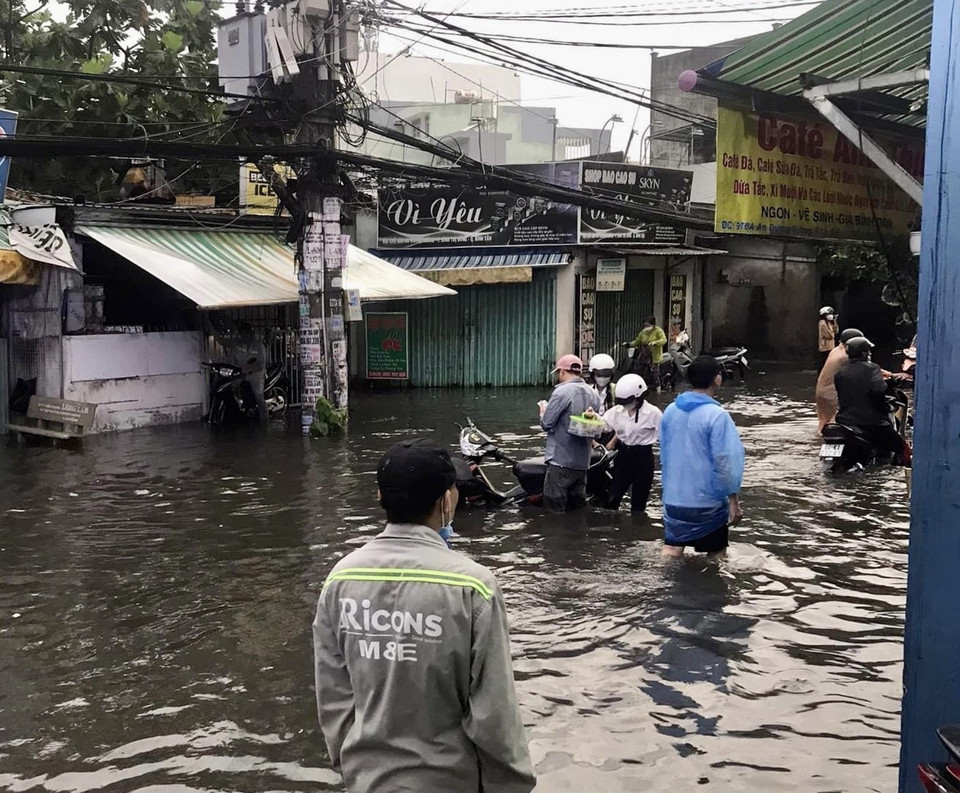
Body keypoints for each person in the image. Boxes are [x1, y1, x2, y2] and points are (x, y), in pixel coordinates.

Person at [313, 439, 536, 793]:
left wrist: (352, 765)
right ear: (446, 501)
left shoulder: (340, 580)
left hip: (366, 780)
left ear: (380, 497)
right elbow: (494, 712)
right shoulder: (473, 587)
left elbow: (334, 696)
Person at [659, 356, 745, 558]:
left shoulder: (671, 410)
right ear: (717, 379)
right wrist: (734, 500)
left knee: (671, 551)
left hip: (674, 499)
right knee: (715, 558)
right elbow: (725, 459)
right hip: (707, 503)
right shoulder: (716, 415)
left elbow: (664, 451)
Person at [538, 354, 602, 511]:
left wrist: (543, 412)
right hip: (582, 463)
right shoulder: (593, 393)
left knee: (554, 512)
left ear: (562, 372)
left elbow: (547, 424)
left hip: (560, 461)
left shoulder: (562, 392)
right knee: (576, 511)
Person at [834, 337, 910, 465]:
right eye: (868, 351)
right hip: (871, 422)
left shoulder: (840, 373)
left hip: (844, 421)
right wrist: (884, 408)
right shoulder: (872, 368)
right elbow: (878, 390)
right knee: (902, 447)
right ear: (864, 353)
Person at [602, 373, 662, 514]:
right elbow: (602, 425)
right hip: (623, 456)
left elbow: (665, 437)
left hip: (643, 458)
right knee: (612, 498)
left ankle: (637, 530)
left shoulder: (653, 413)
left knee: (638, 505)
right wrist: (590, 417)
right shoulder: (617, 411)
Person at [816, 327, 867, 433]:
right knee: (835, 420)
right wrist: (888, 374)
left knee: (824, 422)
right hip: (832, 391)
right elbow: (864, 368)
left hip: (821, 391)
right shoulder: (845, 355)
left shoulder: (836, 350)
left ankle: (820, 442)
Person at [624, 316, 668, 390]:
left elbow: (663, 340)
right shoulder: (643, 332)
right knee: (643, 374)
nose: (646, 327)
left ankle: (658, 392)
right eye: (645, 325)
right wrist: (628, 344)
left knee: (655, 376)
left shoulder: (658, 331)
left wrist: (655, 342)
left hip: (654, 357)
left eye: (648, 326)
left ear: (653, 325)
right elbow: (637, 341)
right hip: (644, 357)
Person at [817, 306, 838, 373]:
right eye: (829, 314)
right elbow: (829, 336)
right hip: (825, 347)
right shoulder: (822, 323)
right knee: (824, 363)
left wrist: (835, 322)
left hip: (831, 346)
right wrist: (832, 333)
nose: (831, 316)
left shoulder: (829, 323)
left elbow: (836, 331)